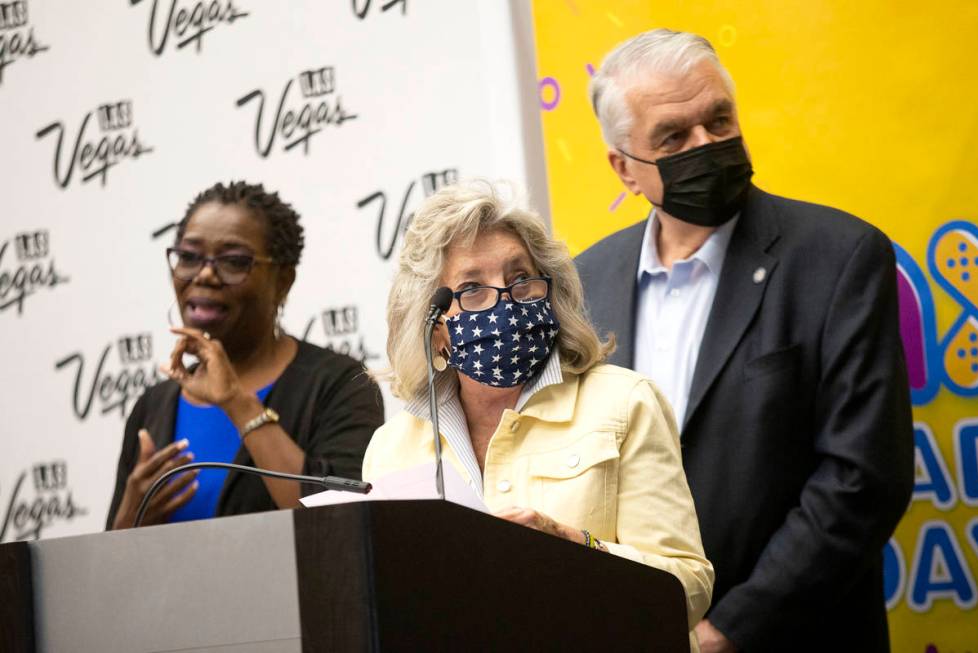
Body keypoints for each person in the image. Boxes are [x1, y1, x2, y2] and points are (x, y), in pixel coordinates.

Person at [576, 29, 914, 652]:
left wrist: (726, 631)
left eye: (719, 120)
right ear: (623, 167)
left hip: (800, 634)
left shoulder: (837, 257)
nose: (706, 145)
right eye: (674, 137)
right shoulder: (584, 283)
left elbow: (864, 477)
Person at [362, 180, 714, 647]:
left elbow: (688, 589)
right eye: (471, 289)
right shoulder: (391, 448)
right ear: (436, 331)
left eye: (519, 279)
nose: (504, 301)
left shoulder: (624, 402)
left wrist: (573, 548)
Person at [107, 181, 384, 529]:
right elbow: (114, 566)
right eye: (189, 257)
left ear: (283, 281)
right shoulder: (153, 406)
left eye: (234, 261)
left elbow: (341, 525)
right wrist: (130, 516)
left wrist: (238, 403)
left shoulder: (340, 384)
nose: (205, 274)